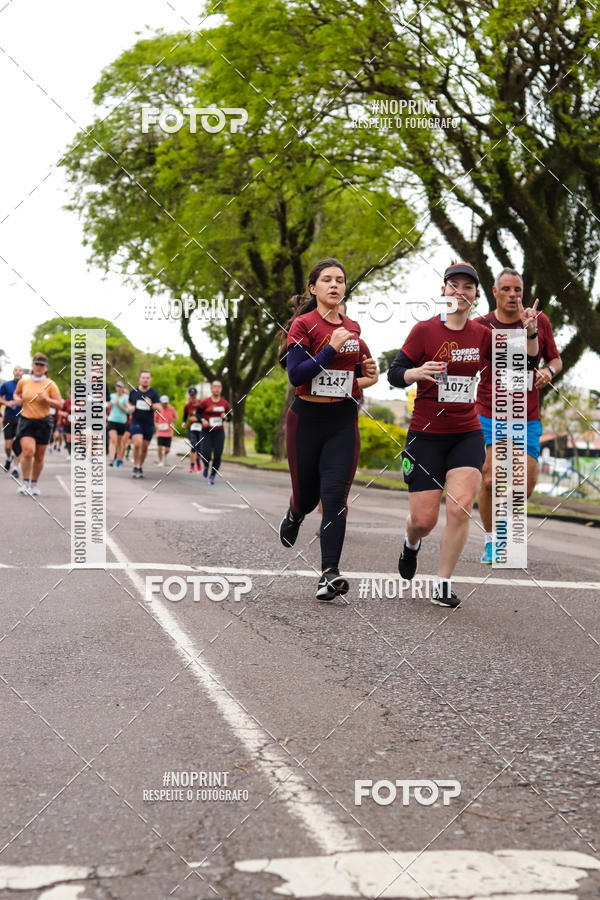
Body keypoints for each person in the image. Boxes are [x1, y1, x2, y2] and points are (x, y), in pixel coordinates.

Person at [387, 262, 539, 607]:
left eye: (467, 287)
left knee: (459, 508)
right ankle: (411, 542)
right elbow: (394, 374)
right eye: (453, 286)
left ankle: (443, 583)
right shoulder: (424, 331)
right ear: (443, 292)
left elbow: (524, 365)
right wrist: (417, 372)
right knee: (424, 520)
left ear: (474, 295)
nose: (460, 292)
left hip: (465, 434)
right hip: (425, 435)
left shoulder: (482, 335)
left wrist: (529, 332)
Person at [278, 257, 378, 601]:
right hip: (305, 420)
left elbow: (354, 376)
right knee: (307, 498)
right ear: (313, 288)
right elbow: (297, 375)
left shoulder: (353, 328)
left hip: (342, 423)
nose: (335, 285)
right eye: (327, 280)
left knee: (335, 497)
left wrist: (368, 375)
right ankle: (294, 512)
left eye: (340, 280)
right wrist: (331, 348)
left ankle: (329, 573)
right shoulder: (303, 325)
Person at [474, 267, 562, 562]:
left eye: (518, 290)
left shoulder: (538, 321)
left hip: (527, 417)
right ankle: (491, 541)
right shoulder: (481, 325)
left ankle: (505, 527)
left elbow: (555, 359)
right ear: (494, 292)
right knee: (489, 480)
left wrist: (549, 371)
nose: (513, 295)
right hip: (489, 412)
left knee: (524, 485)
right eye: (507, 289)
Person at [12, 353, 63, 496]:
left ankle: (34, 484)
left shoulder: (50, 384)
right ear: (32, 366)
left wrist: (47, 399)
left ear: (46, 368)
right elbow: (17, 394)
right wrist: (17, 399)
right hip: (27, 420)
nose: (39, 367)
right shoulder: (24, 382)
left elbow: (59, 404)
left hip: (43, 422)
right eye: (36, 364)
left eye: (42, 365)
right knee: (28, 451)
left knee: (39, 456)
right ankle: (25, 482)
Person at [127, 370, 161, 478]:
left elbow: (159, 408)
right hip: (136, 422)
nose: (145, 380)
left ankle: (140, 466)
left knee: (145, 448)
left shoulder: (153, 393)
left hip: (148, 424)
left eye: (147, 378)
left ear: (150, 380)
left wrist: (151, 404)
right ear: (140, 379)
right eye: (143, 378)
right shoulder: (134, 391)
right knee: (137, 444)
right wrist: (130, 407)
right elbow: (128, 402)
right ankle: (135, 465)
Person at [197, 381, 232, 484]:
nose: (216, 389)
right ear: (211, 389)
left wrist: (225, 417)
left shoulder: (224, 403)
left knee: (217, 455)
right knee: (206, 453)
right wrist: (203, 421)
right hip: (207, 431)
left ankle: (212, 475)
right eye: (215, 387)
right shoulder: (205, 402)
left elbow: (230, 417)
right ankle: (206, 465)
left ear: (221, 389)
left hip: (218, 432)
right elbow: (197, 414)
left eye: (218, 387)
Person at [0, 365, 24, 477]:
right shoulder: (6, 385)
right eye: (16, 370)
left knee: (18, 444)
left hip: (22, 418)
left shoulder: (26, 384)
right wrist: (6, 403)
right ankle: (9, 458)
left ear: (23, 372)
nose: (18, 372)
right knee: (8, 445)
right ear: (13, 372)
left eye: (20, 370)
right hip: (9, 417)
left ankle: (15, 468)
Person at [107, 381, 129, 467]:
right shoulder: (112, 396)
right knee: (113, 440)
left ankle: (119, 458)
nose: (119, 388)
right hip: (112, 420)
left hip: (122, 421)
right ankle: (112, 459)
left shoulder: (126, 397)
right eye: (117, 386)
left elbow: (127, 410)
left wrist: (118, 404)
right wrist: (110, 404)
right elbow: (107, 406)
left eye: (120, 386)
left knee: (119, 442)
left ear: (123, 388)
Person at [182, 387, 203, 472]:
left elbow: (205, 416)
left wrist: (197, 419)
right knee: (193, 445)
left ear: (196, 395)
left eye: (194, 396)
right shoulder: (188, 406)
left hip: (201, 428)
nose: (192, 397)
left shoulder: (201, 404)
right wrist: (183, 422)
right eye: (191, 396)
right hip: (191, 428)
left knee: (200, 447)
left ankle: (198, 461)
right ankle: (192, 465)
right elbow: (185, 416)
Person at [154, 395, 178, 466]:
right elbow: (155, 420)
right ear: (160, 402)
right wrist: (156, 425)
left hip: (169, 432)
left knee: (167, 450)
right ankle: (160, 461)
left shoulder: (171, 409)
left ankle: (164, 456)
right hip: (160, 431)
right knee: (159, 447)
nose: (165, 404)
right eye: (164, 403)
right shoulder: (158, 409)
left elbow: (175, 418)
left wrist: (172, 421)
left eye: (166, 403)